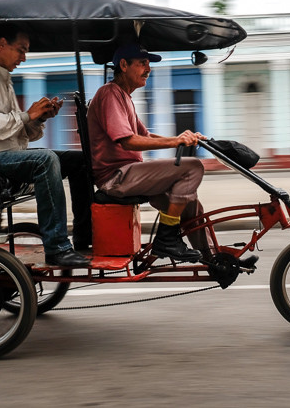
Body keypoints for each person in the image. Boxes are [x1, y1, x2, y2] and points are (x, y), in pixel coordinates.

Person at [0, 23, 91, 268]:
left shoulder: (3, 78)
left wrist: (40, 117)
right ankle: (57, 247)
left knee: (79, 161)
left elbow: (16, 131)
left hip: (6, 156)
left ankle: (84, 237)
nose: (24, 58)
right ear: (2, 44)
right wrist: (27, 116)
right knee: (47, 160)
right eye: (21, 50)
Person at [87, 43, 210, 262]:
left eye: (148, 64)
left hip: (131, 174)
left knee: (191, 204)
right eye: (142, 63)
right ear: (123, 65)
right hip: (117, 177)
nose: (148, 69)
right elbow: (128, 141)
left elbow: (145, 135)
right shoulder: (109, 94)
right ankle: (167, 240)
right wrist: (176, 142)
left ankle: (215, 260)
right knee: (193, 167)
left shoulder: (124, 96)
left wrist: (181, 139)